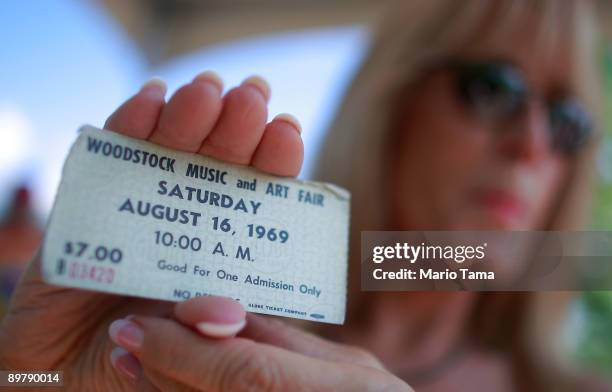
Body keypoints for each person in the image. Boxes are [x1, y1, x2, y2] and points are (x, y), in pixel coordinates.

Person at [1, 0, 609, 390]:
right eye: (494, 87)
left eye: (568, 121)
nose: (533, 145)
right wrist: (32, 377)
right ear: (393, 103)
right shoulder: (208, 324)